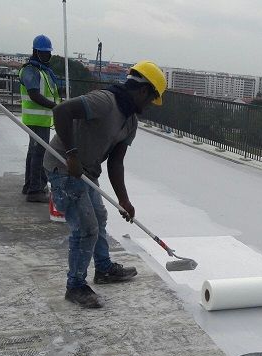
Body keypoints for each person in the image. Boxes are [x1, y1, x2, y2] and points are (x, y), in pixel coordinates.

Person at [45, 60, 166, 308]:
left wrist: (124, 200)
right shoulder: (105, 101)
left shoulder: (130, 121)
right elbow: (62, 112)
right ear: (143, 90)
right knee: (86, 228)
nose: (150, 106)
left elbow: (116, 162)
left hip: (87, 171)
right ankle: (75, 286)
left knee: (99, 218)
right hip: (64, 167)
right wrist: (72, 154)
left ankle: (104, 269)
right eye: (151, 98)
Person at [19, 34, 61, 202]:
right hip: (35, 120)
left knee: (34, 153)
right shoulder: (31, 70)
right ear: (36, 52)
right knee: (39, 154)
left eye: (48, 53)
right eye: (44, 53)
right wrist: (55, 107)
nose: (47, 56)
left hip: (41, 120)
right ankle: (35, 190)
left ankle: (29, 185)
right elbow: (34, 94)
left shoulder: (43, 71)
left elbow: (50, 93)